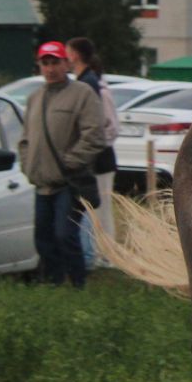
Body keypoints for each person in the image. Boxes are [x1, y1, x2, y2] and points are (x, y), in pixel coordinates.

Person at [18, 40, 110, 287]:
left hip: (69, 182)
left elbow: (95, 135)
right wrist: (28, 166)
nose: (50, 68)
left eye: (55, 62)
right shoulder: (34, 98)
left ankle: (78, 284)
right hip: (42, 183)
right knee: (43, 238)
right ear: (39, 66)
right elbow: (25, 138)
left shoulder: (82, 94)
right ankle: (53, 284)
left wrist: (71, 162)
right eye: (45, 63)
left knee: (65, 235)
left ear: (66, 63)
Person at [66, 37, 120, 268]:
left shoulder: (93, 85)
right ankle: (95, 251)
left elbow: (109, 125)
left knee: (102, 209)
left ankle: (107, 255)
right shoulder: (83, 82)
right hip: (91, 159)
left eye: (68, 53)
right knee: (91, 208)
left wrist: (95, 145)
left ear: (75, 55)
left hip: (100, 160)